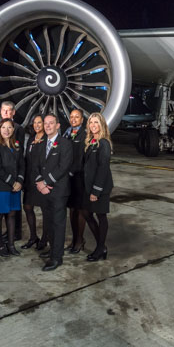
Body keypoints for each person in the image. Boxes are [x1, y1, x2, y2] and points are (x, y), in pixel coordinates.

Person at [32, 113, 72, 271]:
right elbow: (34, 166)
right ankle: (52, 249)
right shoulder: (40, 144)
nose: (47, 126)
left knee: (58, 224)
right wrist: (39, 183)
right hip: (43, 191)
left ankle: (57, 258)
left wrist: (46, 182)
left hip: (58, 191)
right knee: (48, 223)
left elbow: (63, 167)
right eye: (45, 123)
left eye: (51, 123)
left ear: (58, 126)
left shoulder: (65, 144)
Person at [0, 118, 25, 257]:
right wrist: (13, 182)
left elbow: (22, 164)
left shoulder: (16, 145)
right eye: (4, 127)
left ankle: (11, 244)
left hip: (15, 187)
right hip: (2, 186)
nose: (7, 130)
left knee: (11, 215)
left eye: (9, 127)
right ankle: (0, 244)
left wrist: (20, 181)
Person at [81, 113, 114, 261]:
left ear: (102, 125)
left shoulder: (104, 143)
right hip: (90, 186)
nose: (93, 125)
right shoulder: (91, 141)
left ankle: (100, 249)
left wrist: (96, 191)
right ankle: (102, 246)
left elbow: (103, 168)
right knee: (87, 214)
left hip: (100, 188)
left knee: (101, 216)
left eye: (96, 122)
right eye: (91, 122)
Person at [0, 101, 25, 240]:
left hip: (14, 174)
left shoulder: (18, 128)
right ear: (1, 112)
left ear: (13, 112)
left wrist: (17, 180)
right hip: (3, 178)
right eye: (4, 110)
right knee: (3, 210)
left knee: (14, 209)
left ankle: (16, 233)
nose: (6, 113)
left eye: (9, 111)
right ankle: (8, 233)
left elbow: (19, 154)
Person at [63, 109, 87, 253]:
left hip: (79, 177)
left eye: (76, 117)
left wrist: (70, 172)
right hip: (69, 179)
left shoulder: (84, 134)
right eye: (71, 117)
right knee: (72, 210)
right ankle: (74, 239)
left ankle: (80, 240)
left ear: (82, 120)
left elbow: (80, 159)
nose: (73, 119)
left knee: (80, 211)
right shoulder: (67, 133)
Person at [20, 114, 45, 250]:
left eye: (39, 122)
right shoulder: (30, 138)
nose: (37, 125)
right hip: (30, 179)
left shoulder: (47, 139)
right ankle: (33, 237)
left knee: (44, 210)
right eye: (35, 123)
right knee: (28, 207)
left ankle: (45, 238)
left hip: (41, 180)